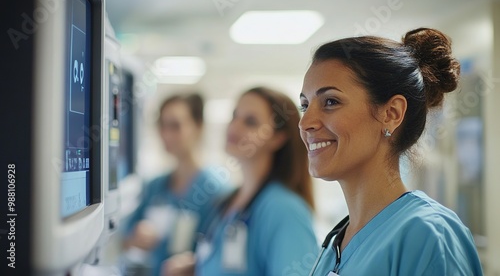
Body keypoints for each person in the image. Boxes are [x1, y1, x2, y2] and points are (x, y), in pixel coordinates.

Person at [299, 28, 484, 275]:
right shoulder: (336, 244)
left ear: (392, 113)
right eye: (304, 105)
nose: (305, 122)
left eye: (331, 102)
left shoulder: (429, 236)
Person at [163, 87, 319, 276]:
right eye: (234, 116)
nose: (234, 127)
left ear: (278, 138)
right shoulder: (230, 202)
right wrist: (196, 268)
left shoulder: (284, 210)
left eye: (250, 122)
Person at [122, 93, 229, 276]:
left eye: (175, 126)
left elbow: (222, 254)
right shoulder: (155, 186)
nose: (166, 134)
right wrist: (136, 238)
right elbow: (124, 238)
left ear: (198, 127)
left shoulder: (217, 190)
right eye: (162, 126)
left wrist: (194, 264)